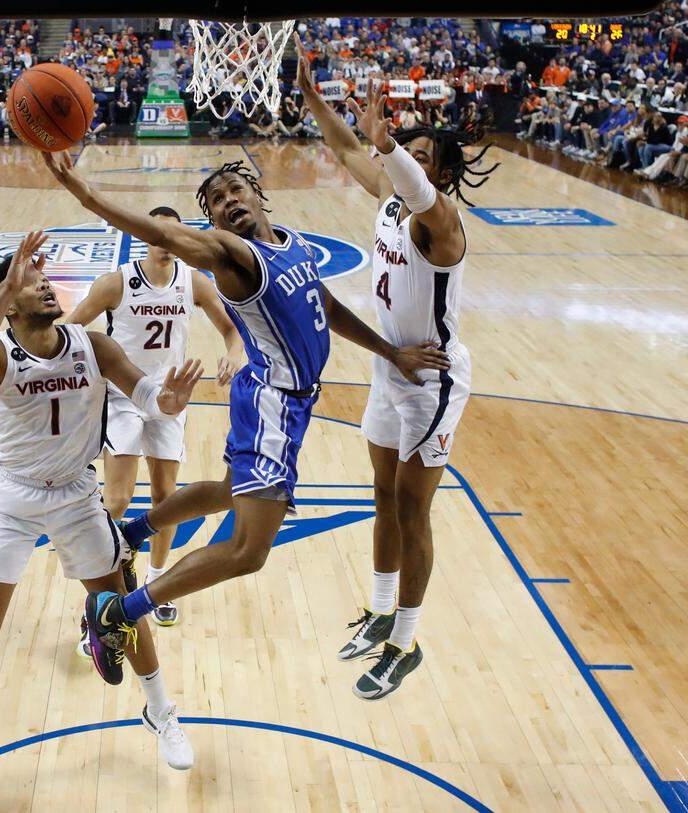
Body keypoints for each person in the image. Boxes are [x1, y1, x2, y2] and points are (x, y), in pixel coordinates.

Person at [44, 141, 450, 689]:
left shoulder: (295, 245)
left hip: (288, 399)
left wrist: (390, 351)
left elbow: (325, 308)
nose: (227, 201)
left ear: (259, 194)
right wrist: (84, 192)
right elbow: (162, 235)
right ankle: (119, 612)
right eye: (215, 201)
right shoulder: (235, 256)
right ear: (212, 223)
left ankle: (133, 531)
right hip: (272, 403)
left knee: (228, 489)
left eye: (235, 189)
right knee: (247, 551)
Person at [0, 232, 200, 803]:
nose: (47, 287)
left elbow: (144, 393)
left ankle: (160, 712)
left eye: (48, 281)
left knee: (122, 606)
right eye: (33, 283)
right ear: (8, 301)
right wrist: (5, 287)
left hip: (77, 495)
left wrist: (167, 402)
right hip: (14, 498)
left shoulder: (90, 344)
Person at [297, 38, 496, 699]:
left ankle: (405, 643)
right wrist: (312, 96)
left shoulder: (441, 223)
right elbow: (350, 150)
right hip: (392, 366)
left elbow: (395, 169)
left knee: (414, 509)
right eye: (402, 147)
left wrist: (389, 148)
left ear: (436, 172)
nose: (403, 157)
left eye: (418, 154)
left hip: (434, 378)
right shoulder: (389, 192)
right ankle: (381, 611)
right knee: (380, 496)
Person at [66, 206, 246, 642]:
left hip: (170, 400)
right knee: (118, 499)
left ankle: (156, 585)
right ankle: (101, 596)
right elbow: (70, 329)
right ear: (143, 238)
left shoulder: (194, 281)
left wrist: (234, 352)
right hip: (124, 396)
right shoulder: (116, 282)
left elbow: (232, 329)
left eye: (172, 233)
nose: (164, 241)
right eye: (156, 233)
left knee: (166, 497)